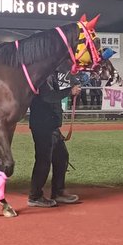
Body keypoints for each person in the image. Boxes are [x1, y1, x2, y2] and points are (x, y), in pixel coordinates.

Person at [27, 73, 82, 208]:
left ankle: (58, 192)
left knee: (61, 157)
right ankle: (35, 196)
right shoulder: (40, 76)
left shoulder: (50, 75)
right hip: (43, 125)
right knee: (43, 160)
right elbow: (48, 97)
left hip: (51, 125)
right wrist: (69, 91)